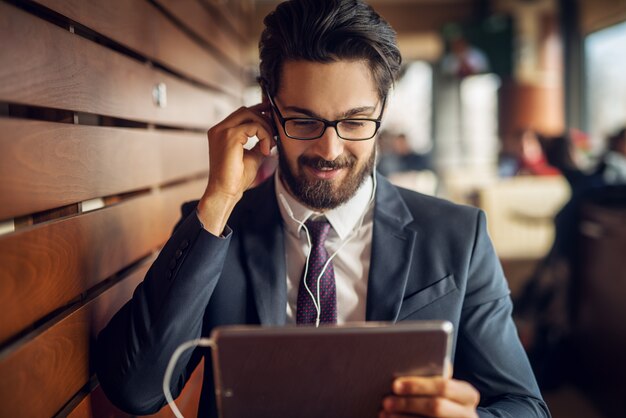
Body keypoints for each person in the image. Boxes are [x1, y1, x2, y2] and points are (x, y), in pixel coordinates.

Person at [95, 1, 550, 417]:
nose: (330, 150)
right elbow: (136, 389)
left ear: (383, 111)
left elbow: (525, 406)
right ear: (269, 110)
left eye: (354, 121)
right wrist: (217, 199)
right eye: (305, 120)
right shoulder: (216, 230)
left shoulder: (458, 236)